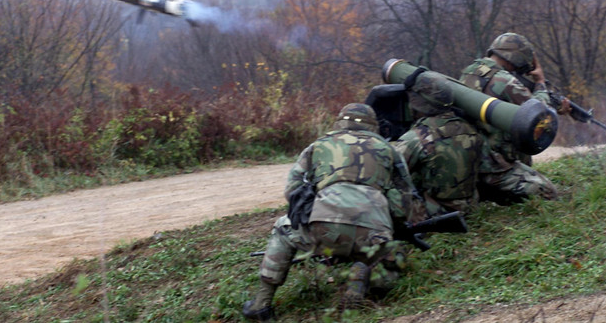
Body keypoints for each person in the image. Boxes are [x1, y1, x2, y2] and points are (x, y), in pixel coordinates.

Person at [242, 103, 426, 321]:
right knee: (391, 256)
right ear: (373, 126)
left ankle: (261, 305)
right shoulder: (389, 150)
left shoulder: (318, 145)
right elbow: (406, 198)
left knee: (282, 229)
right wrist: (391, 221)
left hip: (323, 227)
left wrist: (319, 208)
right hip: (373, 232)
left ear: (340, 121)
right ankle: (365, 277)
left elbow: (292, 192)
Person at [458, 33, 568, 204]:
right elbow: (539, 114)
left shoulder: (470, 72)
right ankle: (497, 190)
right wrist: (539, 82)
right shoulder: (506, 81)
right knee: (548, 193)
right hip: (493, 163)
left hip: (470, 158)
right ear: (514, 59)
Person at [393, 73, 484, 216]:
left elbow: (388, 171)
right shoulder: (470, 128)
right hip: (470, 208)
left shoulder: (416, 137)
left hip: (436, 213)